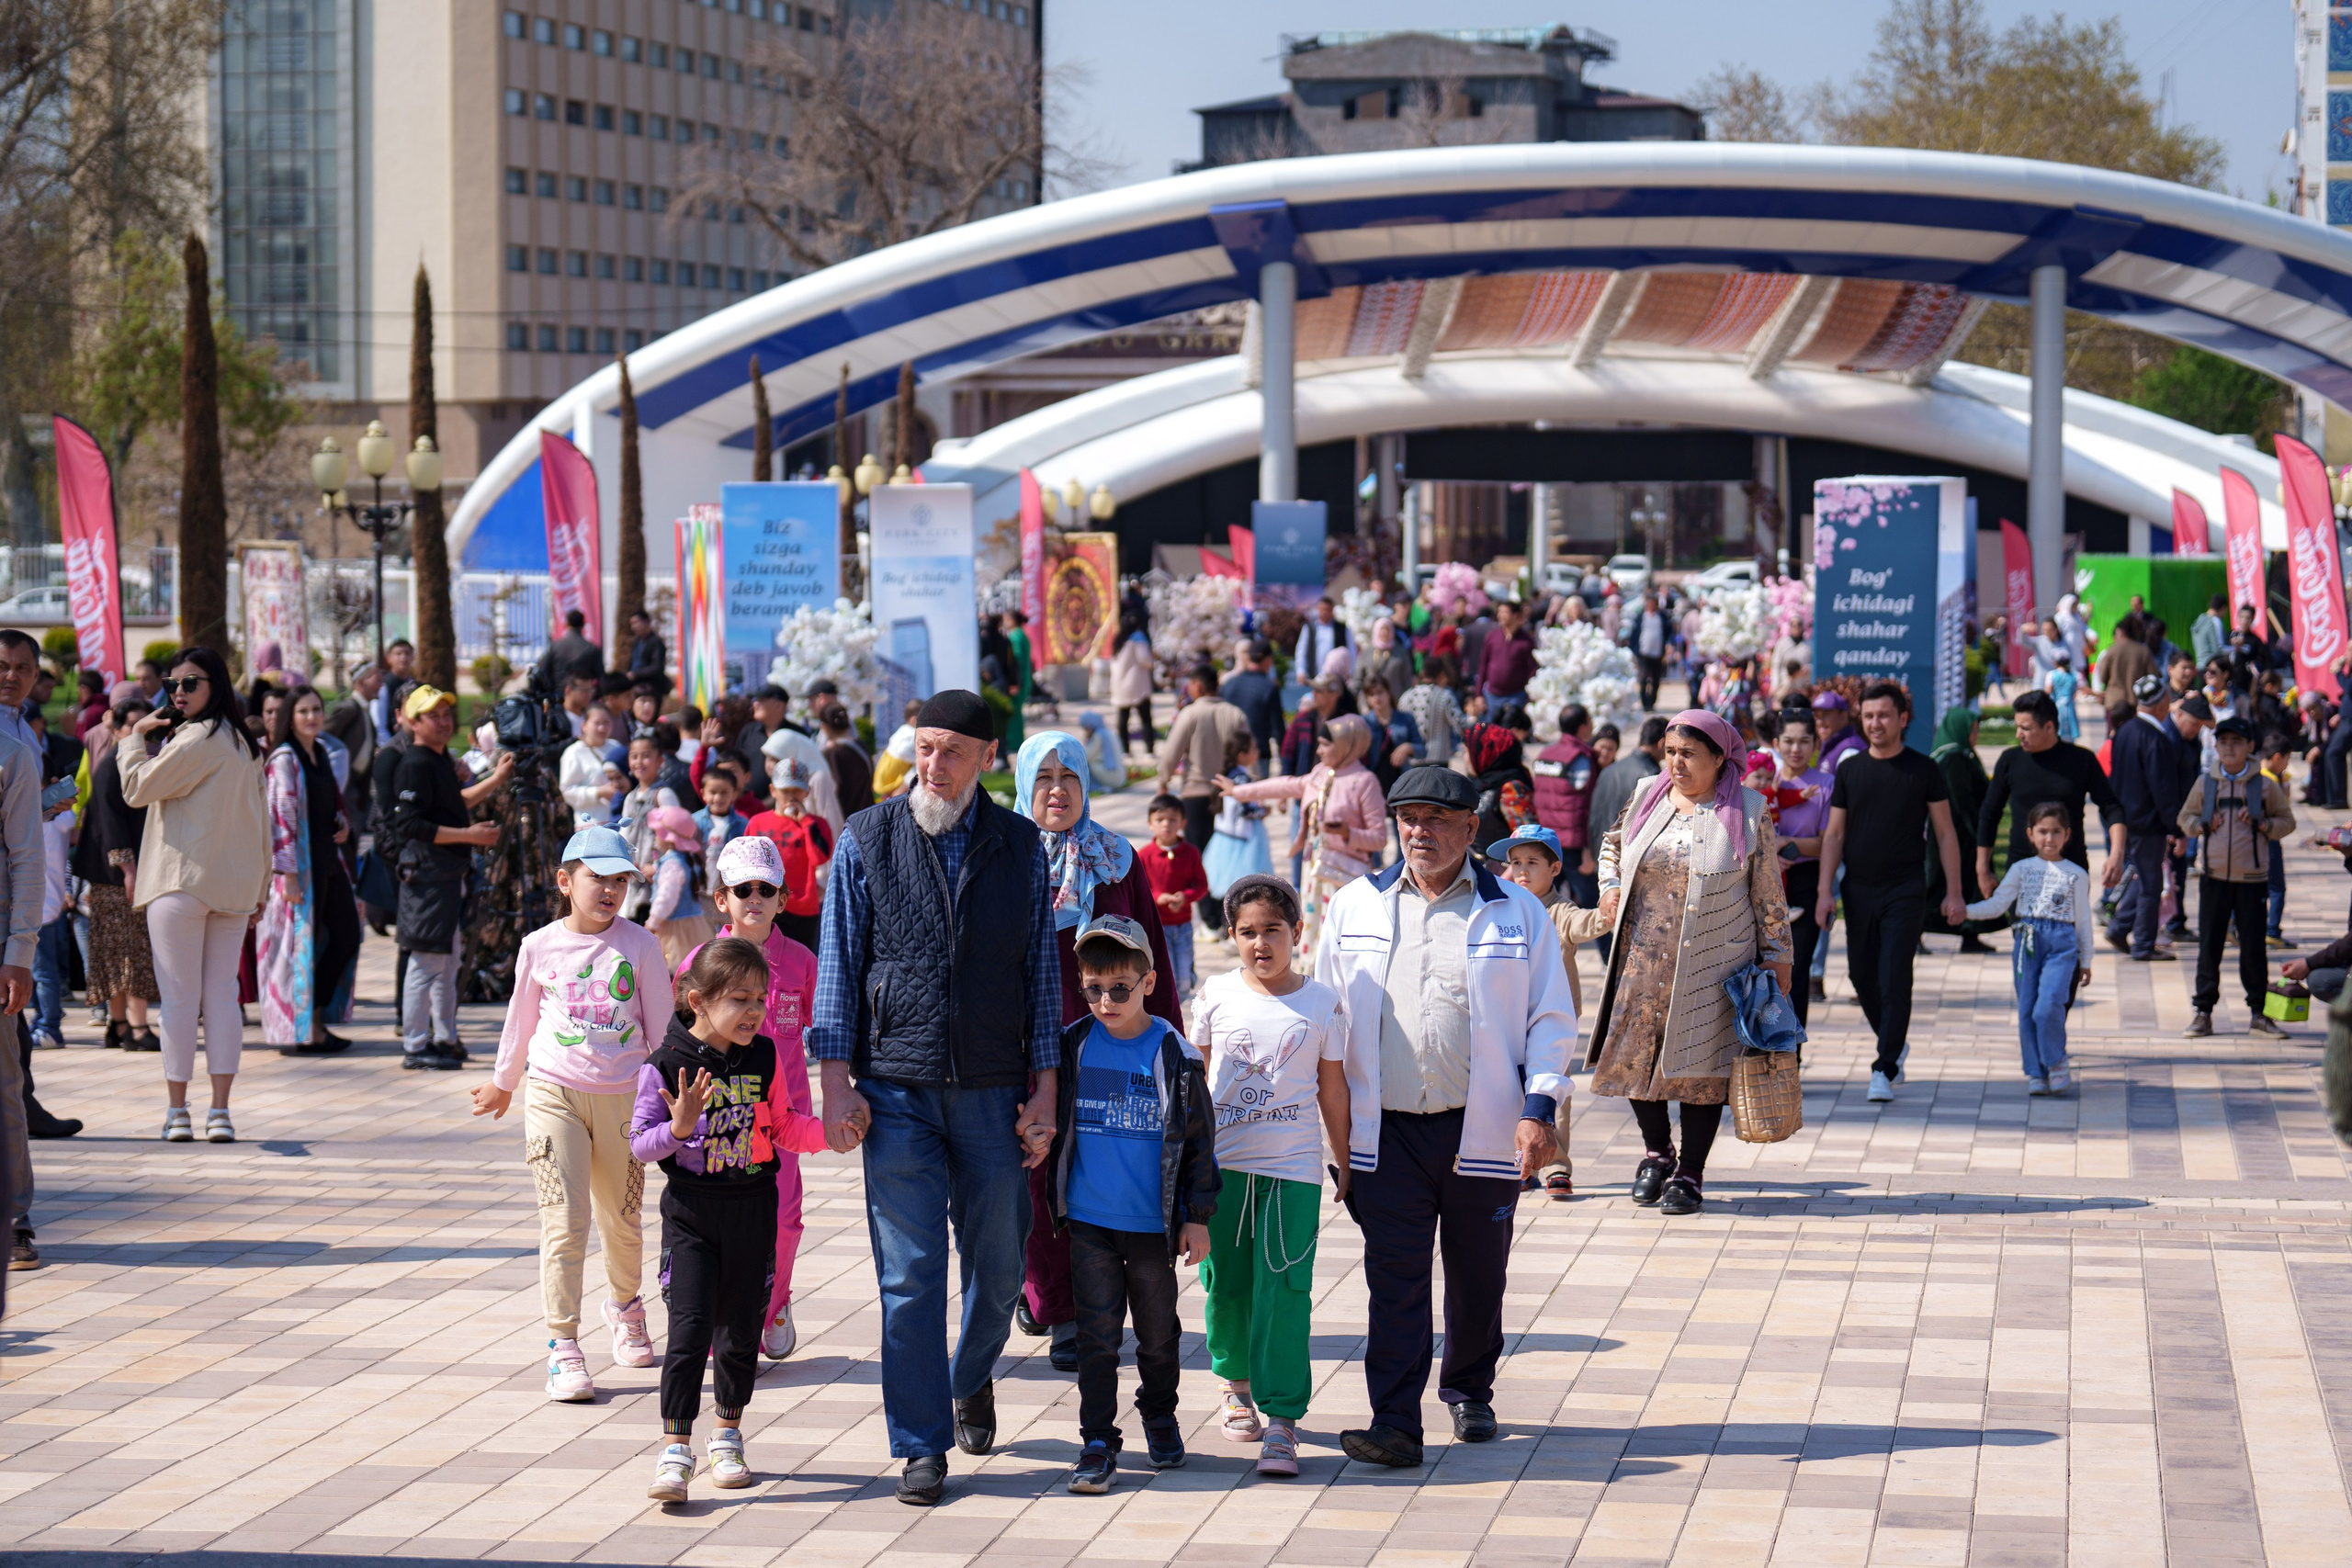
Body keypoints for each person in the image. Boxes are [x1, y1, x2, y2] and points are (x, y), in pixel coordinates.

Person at [807, 689, 1061, 1506]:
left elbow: (1042, 974)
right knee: (911, 1275)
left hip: (994, 1090)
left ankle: (969, 1373)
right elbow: (839, 962)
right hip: (895, 1089)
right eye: (923, 748)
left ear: (988, 757)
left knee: (1002, 1264)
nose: (934, 765)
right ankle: (921, 1443)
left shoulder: (1020, 845)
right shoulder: (867, 836)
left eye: (952, 750)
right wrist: (834, 1079)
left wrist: (1046, 1087)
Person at [1313, 765, 1571, 1468]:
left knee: (1478, 1272)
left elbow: (1550, 1017)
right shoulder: (1354, 906)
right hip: (1386, 1132)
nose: (1419, 831)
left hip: (1481, 1125)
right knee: (1394, 1281)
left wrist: (1539, 1106)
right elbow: (1326, 1021)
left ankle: (1468, 1387)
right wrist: (1329, 1138)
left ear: (1470, 827)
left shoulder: (1516, 911)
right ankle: (1395, 1422)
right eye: (1408, 818)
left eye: (1435, 818)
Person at [632, 936, 841, 1503]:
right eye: (740, 999)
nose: (754, 1011)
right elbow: (641, 1144)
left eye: (760, 999)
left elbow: (784, 1126)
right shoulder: (666, 1065)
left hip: (753, 1211)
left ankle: (727, 1435)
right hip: (691, 1217)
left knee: (741, 1333)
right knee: (690, 1330)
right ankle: (675, 1449)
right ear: (698, 1001)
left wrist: (832, 1134)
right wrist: (679, 1128)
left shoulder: (765, 1056)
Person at [472, 826, 672, 1400]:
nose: (609, 890)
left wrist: (669, 1095)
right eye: (596, 878)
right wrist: (503, 1082)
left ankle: (626, 1307)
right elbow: (521, 1019)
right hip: (553, 1092)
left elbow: (662, 1030)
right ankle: (563, 1345)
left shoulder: (641, 945)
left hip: (625, 1099)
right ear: (565, 881)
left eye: (620, 881)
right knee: (564, 1220)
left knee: (622, 1219)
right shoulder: (538, 946)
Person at [1007, 729, 1182, 1373]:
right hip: (1022, 1047)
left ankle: (1078, 1309)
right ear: (1024, 785)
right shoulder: (1005, 855)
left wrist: (1169, 1044)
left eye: (1069, 777)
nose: (1057, 790)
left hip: (1106, 1047)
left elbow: (1153, 952)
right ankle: (1052, 1301)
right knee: (1035, 1174)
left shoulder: (1117, 858)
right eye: (1044, 777)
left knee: (1089, 1173)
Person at [1041, 913, 1217, 1494]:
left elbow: (1200, 1142)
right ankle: (1097, 1439)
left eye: (1120, 988)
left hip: (1151, 1225)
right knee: (1095, 1336)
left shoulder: (1174, 1054)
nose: (1106, 1001)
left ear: (1148, 982)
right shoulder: (1072, 1045)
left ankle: (1159, 1414)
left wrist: (1196, 1216)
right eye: (1094, 989)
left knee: (1158, 1333)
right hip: (1090, 1220)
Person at [1589, 712, 1792, 1213]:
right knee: (1638, 1059)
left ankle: (1691, 1172)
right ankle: (1657, 1154)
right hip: (1643, 959)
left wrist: (1779, 955)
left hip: (1713, 965)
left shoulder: (1748, 809)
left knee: (1704, 1071)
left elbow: (1768, 890)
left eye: (1688, 754)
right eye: (1670, 752)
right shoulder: (1647, 794)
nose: (1676, 764)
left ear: (1719, 758)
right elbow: (1612, 845)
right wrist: (1609, 886)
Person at [1190, 874, 1348, 1475]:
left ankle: (1283, 1419)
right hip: (1222, 1169)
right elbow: (1195, 1085)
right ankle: (1235, 1388)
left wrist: (1346, 1160)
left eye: (1272, 930)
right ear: (1232, 935)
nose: (1260, 943)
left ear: (1297, 931)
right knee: (1226, 1283)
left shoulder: (1321, 1003)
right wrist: (1187, 1166)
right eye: (1247, 931)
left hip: (1293, 1170)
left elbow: (1333, 1089)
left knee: (1284, 1288)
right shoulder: (1216, 994)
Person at [119, 647, 268, 1144]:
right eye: (172, 684)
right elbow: (261, 823)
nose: (178, 693)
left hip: (180, 881)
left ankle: (178, 1110)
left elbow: (137, 788)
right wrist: (261, 885)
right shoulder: (244, 744)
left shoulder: (197, 738)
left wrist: (134, 737)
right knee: (221, 998)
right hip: (232, 886)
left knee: (181, 1000)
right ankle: (219, 1112)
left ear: (215, 685)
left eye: (190, 683)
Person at [1814, 682, 1967, 1103]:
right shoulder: (1850, 770)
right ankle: (1893, 1040)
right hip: (1858, 888)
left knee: (1895, 975)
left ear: (1902, 719)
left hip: (1906, 888)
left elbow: (1945, 833)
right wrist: (1825, 892)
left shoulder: (1923, 769)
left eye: (1883, 715)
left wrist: (1954, 892)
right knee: (1861, 975)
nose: (1875, 723)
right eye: (1868, 716)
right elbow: (1834, 835)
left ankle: (1884, 1066)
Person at [391, 686, 511, 1068]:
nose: (444, 722)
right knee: (426, 962)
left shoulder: (439, 758)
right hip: (427, 877)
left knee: (448, 962)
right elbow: (410, 825)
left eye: (447, 714)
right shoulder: (415, 763)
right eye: (433, 716)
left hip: (445, 875)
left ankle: (445, 1037)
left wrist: (496, 778)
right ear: (414, 723)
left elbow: (453, 805)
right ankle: (415, 1046)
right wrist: (469, 836)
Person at [1489, 824, 1605, 1200]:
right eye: (1516, 863)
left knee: (1552, 1093)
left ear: (1555, 868)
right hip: (1509, 1016)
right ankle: (1520, 1164)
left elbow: (1587, 923)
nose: (1522, 871)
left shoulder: (1560, 911)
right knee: (1510, 1092)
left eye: (1532, 862)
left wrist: (1608, 910)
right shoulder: (1501, 907)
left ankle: (1556, 1165)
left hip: (1553, 1021)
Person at [258, 685, 361, 1055]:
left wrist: (343, 825)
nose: (312, 717)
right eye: (303, 711)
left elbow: (329, 804)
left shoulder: (319, 753)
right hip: (300, 872)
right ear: (291, 717)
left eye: (317, 709)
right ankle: (304, 1029)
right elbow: (280, 820)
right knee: (299, 948)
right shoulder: (285, 759)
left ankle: (314, 1017)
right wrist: (288, 876)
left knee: (347, 935)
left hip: (328, 864)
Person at [1965, 803, 2096, 1095]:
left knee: (2048, 1006)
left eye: (2056, 831)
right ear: (2030, 834)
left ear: (2067, 835)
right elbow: (1998, 904)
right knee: (2027, 1008)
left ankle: (2056, 1061)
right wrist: (1967, 911)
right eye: (2043, 831)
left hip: (2062, 945)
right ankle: (2035, 1072)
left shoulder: (2076, 874)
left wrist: (2086, 958)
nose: (2049, 838)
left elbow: (2083, 920)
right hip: (2028, 942)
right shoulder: (2021, 869)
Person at [2181, 716, 2296, 1038]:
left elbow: (2287, 822)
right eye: (2223, 742)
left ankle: (2259, 1013)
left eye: (2236, 742)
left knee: (2254, 948)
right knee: (2209, 946)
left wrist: (2265, 825)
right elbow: (2185, 817)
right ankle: (2203, 1012)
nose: (2229, 748)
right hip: (2214, 876)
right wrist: (2200, 825)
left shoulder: (2265, 785)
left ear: (2250, 746)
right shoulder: (2206, 783)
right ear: (2216, 746)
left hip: (2252, 879)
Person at [1218, 714, 1388, 913]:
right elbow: (1286, 785)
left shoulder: (1364, 782)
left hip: (1345, 875)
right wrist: (1238, 791)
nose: (1319, 751)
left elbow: (1379, 838)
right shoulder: (1321, 773)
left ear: (1346, 745)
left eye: (1325, 745)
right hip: (1315, 870)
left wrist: (1347, 833)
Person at [1975, 688, 2126, 903]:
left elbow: (2112, 807)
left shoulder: (2081, 760)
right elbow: (1989, 813)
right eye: (2017, 727)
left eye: (2025, 728)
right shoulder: (2010, 761)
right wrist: (1982, 868)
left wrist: (2117, 854)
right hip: (2021, 872)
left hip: (2069, 870)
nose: (2018, 734)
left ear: (2049, 727)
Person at [76, 700, 160, 1053]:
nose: (142, 733)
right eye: (134, 726)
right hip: (121, 876)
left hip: (115, 875)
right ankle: (137, 1028)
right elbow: (111, 823)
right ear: (117, 729)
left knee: (115, 952)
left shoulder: (133, 763)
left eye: (147, 726)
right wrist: (129, 870)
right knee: (131, 951)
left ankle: (119, 1024)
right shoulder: (113, 765)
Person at [1156, 664, 1250, 926]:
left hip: (1196, 794)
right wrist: (1253, 791)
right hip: (1230, 795)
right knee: (1229, 856)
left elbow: (1171, 753)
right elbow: (1249, 752)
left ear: (1196, 686)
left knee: (1200, 858)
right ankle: (1229, 913)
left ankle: (1210, 919)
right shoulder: (1235, 714)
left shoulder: (1190, 714)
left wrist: (1163, 781)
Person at [2106, 674, 2190, 962]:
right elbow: (2163, 790)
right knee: (2151, 884)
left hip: (2126, 820)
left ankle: (2119, 928)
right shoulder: (2155, 738)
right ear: (2162, 702)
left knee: (2143, 877)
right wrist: (2176, 829)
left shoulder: (2125, 730)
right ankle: (2143, 944)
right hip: (2147, 823)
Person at [1767, 707, 1834, 1027]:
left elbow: (1828, 842)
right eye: (1789, 741)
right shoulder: (1763, 779)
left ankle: (1792, 1048)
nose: (1796, 749)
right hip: (1765, 882)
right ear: (1776, 743)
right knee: (1763, 967)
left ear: (1815, 744)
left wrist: (1784, 842)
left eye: (1804, 741)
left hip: (1807, 882)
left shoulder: (1826, 785)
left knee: (1797, 968)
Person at [1923, 706, 2000, 953]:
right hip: (1956, 835)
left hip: (1963, 836)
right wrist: (1979, 831)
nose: (1975, 735)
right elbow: (1961, 800)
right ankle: (1915, 932)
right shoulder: (1953, 759)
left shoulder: (1963, 755)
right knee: (1938, 884)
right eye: (1972, 730)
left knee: (1968, 886)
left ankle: (1969, 933)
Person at [1532, 703, 1600, 908]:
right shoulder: (1582, 757)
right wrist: (1588, 848)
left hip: (1546, 840)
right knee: (1592, 905)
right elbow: (1587, 805)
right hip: (1573, 845)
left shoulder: (1545, 754)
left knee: (1544, 902)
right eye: (1590, 721)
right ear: (1582, 727)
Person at [1139, 794, 1206, 998]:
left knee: (1184, 973)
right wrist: (1157, 897)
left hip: (1184, 924)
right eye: (1160, 819)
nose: (1166, 825)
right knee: (1165, 972)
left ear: (1183, 823)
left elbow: (1202, 885)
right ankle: (1170, 1004)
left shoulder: (1191, 852)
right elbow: (1139, 889)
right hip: (1157, 926)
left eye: (1172, 819)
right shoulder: (1144, 855)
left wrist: (1185, 897)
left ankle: (1185, 987)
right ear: (1150, 824)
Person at [641, 806, 718, 974]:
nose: (655, 837)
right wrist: (656, 871)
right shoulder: (688, 858)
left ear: (669, 837)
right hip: (694, 924)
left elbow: (666, 899)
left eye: (657, 832)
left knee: (674, 971)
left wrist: (652, 923)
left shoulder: (672, 864)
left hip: (675, 929)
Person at [1218, 639, 1285, 765]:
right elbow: (1278, 728)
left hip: (1229, 753)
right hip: (1258, 755)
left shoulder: (1228, 685)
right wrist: (1285, 758)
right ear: (1268, 659)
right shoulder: (1269, 687)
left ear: (1248, 658)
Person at [1360, 675, 1422, 804]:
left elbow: (1422, 750)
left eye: (1380, 692)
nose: (1377, 698)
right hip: (1373, 782)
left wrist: (1408, 747)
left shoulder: (1405, 719)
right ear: (1367, 699)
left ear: (1389, 693)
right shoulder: (1364, 722)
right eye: (1371, 694)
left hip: (1401, 780)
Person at [560, 705, 625, 829]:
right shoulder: (574, 752)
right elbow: (567, 791)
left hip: (619, 820)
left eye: (606, 723)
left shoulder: (616, 747)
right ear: (584, 725)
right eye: (597, 723)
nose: (602, 728)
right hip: (590, 824)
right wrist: (598, 792)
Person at [1475, 599, 1537, 725]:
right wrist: (1478, 695)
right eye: (1499, 612)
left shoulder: (1526, 641)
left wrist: (1530, 698)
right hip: (1492, 695)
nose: (1500, 615)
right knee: (1491, 731)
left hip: (1516, 696)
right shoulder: (1492, 637)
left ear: (1515, 616)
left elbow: (1532, 671)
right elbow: (1483, 666)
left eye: (1505, 612)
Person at [1399, 657, 1466, 766]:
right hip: (1438, 760)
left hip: (1412, 761)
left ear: (1422, 673)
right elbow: (1460, 726)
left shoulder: (1405, 697)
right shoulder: (1445, 696)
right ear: (1441, 675)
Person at [816, 702, 875, 816]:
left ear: (824, 727)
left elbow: (833, 792)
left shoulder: (832, 754)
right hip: (868, 814)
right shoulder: (861, 746)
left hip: (846, 818)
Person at [1109, 624, 1158, 753]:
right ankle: (1149, 750)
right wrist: (1153, 659)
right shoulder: (1138, 637)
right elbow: (1145, 659)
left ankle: (1124, 750)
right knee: (1145, 718)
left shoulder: (1119, 639)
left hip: (1120, 685)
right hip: (1137, 685)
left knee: (1123, 718)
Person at [538, 607, 605, 690]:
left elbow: (543, 671)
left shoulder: (555, 646)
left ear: (566, 624)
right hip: (583, 694)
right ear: (583, 625)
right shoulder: (591, 649)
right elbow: (601, 678)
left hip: (559, 693)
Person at [1629, 590, 1669, 710]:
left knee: (1656, 680)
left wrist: (1669, 646)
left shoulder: (1662, 617)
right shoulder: (1641, 617)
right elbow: (1634, 634)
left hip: (1657, 653)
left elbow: (1669, 633)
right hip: (1643, 653)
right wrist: (1634, 650)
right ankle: (1644, 702)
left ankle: (1652, 702)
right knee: (1643, 679)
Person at [1294, 596, 1348, 677]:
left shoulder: (1342, 628)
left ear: (1332, 610)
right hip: (1313, 674)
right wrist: (1300, 671)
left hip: (1335, 677)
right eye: (1322, 609)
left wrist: (1349, 672)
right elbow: (1301, 651)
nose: (1325, 612)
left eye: (1328, 610)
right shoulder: (1309, 628)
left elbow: (1350, 651)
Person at [625, 607, 667, 688]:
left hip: (650, 685)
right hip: (634, 683)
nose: (633, 627)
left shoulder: (656, 642)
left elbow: (657, 667)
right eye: (631, 624)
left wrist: (636, 674)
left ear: (646, 622)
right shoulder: (637, 642)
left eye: (636, 622)